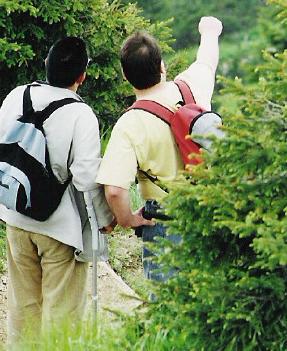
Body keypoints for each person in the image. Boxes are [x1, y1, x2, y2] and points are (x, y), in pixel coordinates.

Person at [0, 36, 115, 345]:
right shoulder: (81, 114)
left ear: (46, 65)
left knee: (23, 305)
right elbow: (85, 177)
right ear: (82, 75)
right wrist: (105, 218)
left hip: (14, 215)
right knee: (62, 312)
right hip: (58, 229)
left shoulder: (19, 95)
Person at [96, 16, 223, 284]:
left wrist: (128, 219)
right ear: (162, 66)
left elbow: (116, 190)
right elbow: (207, 58)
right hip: (209, 212)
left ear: (125, 76)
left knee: (167, 306)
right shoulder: (191, 87)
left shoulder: (129, 124)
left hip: (165, 223)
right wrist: (210, 30)